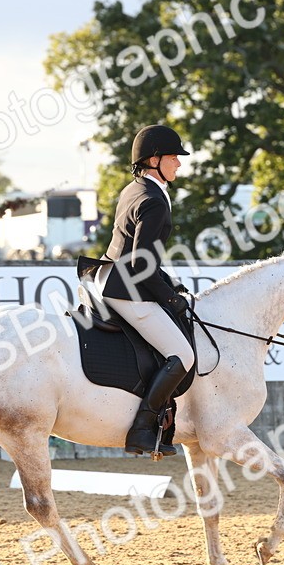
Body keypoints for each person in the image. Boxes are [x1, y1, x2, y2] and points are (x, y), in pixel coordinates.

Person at [91, 125, 195, 456]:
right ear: (154, 160)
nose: (179, 164)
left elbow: (138, 256)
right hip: (125, 289)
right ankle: (141, 429)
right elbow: (140, 266)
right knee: (184, 355)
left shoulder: (134, 190)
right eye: (174, 157)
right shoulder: (154, 202)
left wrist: (167, 283)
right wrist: (171, 300)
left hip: (107, 275)